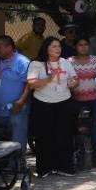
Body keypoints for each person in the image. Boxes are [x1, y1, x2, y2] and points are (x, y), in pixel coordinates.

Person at [27, 37, 78, 177]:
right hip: (43, 103)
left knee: (64, 135)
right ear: (46, 48)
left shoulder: (65, 62)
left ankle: (65, 167)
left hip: (64, 102)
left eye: (59, 46)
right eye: (54, 46)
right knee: (44, 136)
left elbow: (74, 78)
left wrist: (74, 82)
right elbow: (32, 84)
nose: (58, 49)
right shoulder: (36, 64)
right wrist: (49, 78)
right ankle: (45, 169)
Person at [0, 35, 31, 151]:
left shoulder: (22, 62)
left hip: (17, 109)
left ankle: (18, 163)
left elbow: (29, 84)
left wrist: (21, 102)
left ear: (9, 47)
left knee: (17, 134)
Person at [69, 37, 96, 167]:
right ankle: (80, 156)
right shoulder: (70, 62)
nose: (83, 47)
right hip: (77, 101)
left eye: (85, 44)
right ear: (75, 47)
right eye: (80, 44)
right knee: (78, 130)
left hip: (95, 100)